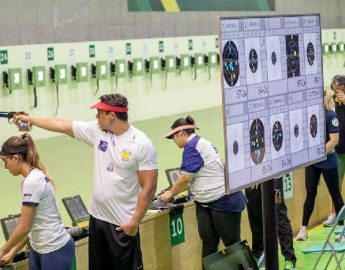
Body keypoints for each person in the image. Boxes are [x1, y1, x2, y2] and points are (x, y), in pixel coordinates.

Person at [14, 94, 158, 270]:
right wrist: (30, 120)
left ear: (112, 115)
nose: (97, 117)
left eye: (100, 113)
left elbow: (149, 187)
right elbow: (62, 125)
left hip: (122, 224)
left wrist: (135, 222)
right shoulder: (96, 131)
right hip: (97, 220)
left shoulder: (141, 143)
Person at [160, 115, 247, 261]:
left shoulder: (193, 146)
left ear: (180, 133)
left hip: (224, 201)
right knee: (209, 244)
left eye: (173, 137)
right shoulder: (199, 143)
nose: (173, 141)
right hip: (206, 203)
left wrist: (170, 193)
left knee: (233, 245)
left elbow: (185, 178)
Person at [0, 133, 75, 270]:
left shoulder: (32, 181)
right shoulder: (30, 179)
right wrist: (12, 252)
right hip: (38, 248)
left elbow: (24, 227)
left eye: (5, 161)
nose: (5, 167)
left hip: (55, 249)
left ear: (16, 158)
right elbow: (32, 224)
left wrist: (2, 250)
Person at [296, 90, 344, 240]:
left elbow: (334, 141)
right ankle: (303, 229)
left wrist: (319, 152)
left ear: (326, 98)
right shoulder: (309, 116)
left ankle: (343, 230)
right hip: (312, 163)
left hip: (328, 161)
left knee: (335, 194)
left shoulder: (331, 116)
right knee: (310, 194)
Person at [245, 177, 296, 270]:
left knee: (279, 217)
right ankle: (258, 254)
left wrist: (260, 175)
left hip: (271, 176)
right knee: (255, 217)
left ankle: (290, 258)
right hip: (251, 177)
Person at [323, 75, 345, 227]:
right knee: (334, 185)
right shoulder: (331, 103)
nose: (338, 92)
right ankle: (335, 214)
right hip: (338, 152)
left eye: (341, 90)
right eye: (336, 89)